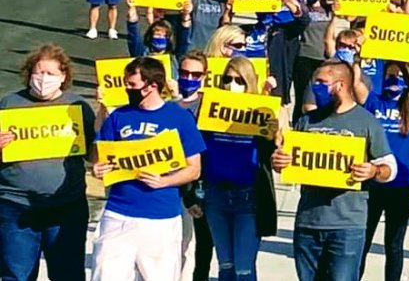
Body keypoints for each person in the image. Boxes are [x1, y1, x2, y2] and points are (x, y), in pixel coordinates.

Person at [272, 61, 397, 281]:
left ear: (340, 85)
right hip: (308, 222)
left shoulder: (366, 122)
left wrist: (374, 171)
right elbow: (288, 161)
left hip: (347, 225)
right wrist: (280, 160)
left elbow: (390, 168)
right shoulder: (307, 121)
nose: (315, 87)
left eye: (321, 82)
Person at [91, 56, 206, 281]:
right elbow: (97, 155)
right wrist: (98, 168)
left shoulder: (180, 118)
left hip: (161, 219)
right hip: (118, 213)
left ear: (152, 86)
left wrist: (164, 181)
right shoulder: (118, 116)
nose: (127, 89)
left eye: (132, 85)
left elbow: (194, 169)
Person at [0, 44, 96, 281]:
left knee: (68, 275)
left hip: (66, 207)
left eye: (51, 74)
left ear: (63, 76)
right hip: (15, 205)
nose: (44, 79)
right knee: (16, 275)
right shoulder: (8, 104)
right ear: (29, 73)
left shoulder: (78, 107)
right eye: (39, 72)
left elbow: (93, 156)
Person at [193, 55, 280, 281]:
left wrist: (274, 134)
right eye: (228, 79)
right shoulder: (209, 110)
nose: (233, 85)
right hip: (215, 194)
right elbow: (196, 152)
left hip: (248, 196)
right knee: (226, 265)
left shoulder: (262, 112)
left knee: (243, 268)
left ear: (249, 82)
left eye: (240, 80)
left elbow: (274, 155)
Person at [359, 60, 409, 281]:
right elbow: (356, 82)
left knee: (393, 244)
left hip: (402, 186)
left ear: (408, 80)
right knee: (363, 241)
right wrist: (360, 57)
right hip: (372, 184)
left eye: (399, 76)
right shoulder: (374, 102)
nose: (394, 80)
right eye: (390, 76)